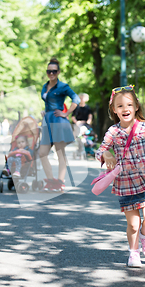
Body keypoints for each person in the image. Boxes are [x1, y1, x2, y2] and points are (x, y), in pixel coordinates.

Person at [95, 86, 145, 268]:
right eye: (120, 106)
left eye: (129, 104)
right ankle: (134, 253)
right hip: (125, 184)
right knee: (133, 224)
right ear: (114, 109)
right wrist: (106, 155)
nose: (125, 108)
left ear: (136, 106)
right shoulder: (113, 132)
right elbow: (100, 150)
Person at [39, 58, 81, 192]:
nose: (51, 73)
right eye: (49, 71)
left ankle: (60, 182)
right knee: (42, 153)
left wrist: (66, 113)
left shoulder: (63, 86)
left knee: (60, 153)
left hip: (58, 121)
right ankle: (51, 181)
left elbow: (76, 99)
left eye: (54, 71)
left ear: (58, 72)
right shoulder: (45, 86)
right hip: (47, 121)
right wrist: (45, 112)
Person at [71, 93, 93, 158]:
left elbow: (90, 115)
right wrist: (76, 122)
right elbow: (73, 116)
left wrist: (89, 121)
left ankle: (86, 150)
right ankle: (79, 150)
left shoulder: (87, 107)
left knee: (86, 137)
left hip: (85, 124)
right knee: (79, 138)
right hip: (78, 124)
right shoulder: (77, 107)